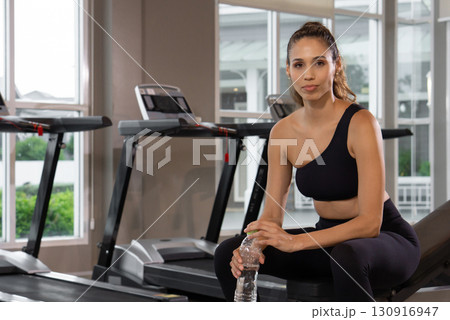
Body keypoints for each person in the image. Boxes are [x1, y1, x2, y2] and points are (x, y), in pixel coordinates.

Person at [214, 21, 420, 302]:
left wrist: (295, 242)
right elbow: (272, 216)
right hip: (328, 242)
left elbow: (371, 222)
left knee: (347, 256)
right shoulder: (283, 132)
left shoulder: (360, 123)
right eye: (299, 64)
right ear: (288, 70)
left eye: (319, 63)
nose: (308, 75)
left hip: (383, 240)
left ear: (337, 65)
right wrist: (251, 244)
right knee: (228, 252)